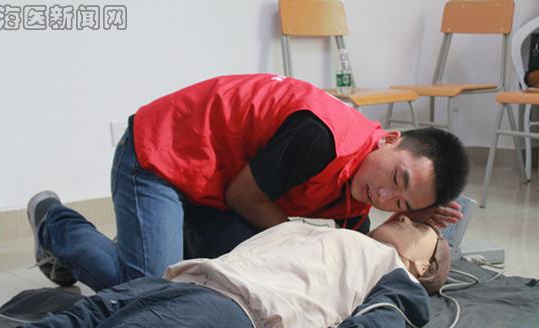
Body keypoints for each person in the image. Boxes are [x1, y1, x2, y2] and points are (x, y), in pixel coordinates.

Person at [27, 73, 468, 291]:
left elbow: (360, 250)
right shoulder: (320, 137)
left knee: (236, 278)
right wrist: (305, 244)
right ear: (389, 138)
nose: (383, 196)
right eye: (397, 178)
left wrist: (416, 218)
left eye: (401, 203)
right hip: (162, 152)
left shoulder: (366, 183)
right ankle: (53, 221)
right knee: (144, 292)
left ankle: (149, 236)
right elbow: (245, 197)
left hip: (216, 186)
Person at [0, 217, 450, 328]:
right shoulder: (330, 228)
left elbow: (391, 317)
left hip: (230, 316)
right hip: (170, 285)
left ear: (424, 265)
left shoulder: (396, 270)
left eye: (419, 226)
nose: (406, 216)